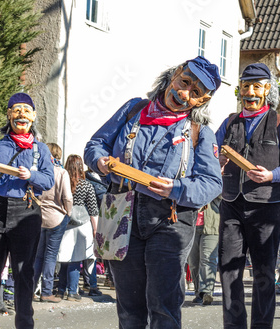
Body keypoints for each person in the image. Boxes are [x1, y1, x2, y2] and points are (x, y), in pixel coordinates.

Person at [84, 56, 223, 328]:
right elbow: (96, 144)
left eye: (195, 93)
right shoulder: (134, 108)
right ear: (174, 75)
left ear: (202, 101)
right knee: (129, 306)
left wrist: (176, 188)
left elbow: (211, 183)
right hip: (122, 211)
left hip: (170, 220)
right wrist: (100, 161)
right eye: (184, 83)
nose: (184, 94)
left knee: (163, 306)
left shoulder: (200, 132)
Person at [215, 62, 280, 328]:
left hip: (266, 207)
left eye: (256, 87)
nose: (250, 92)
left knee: (263, 274)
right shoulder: (229, 123)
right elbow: (210, 156)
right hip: (231, 205)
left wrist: (273, 176)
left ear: (267, 90)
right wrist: (217, 164)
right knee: (229, 273)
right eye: (245, 86)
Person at [0, 92, 55, 329]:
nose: (21, 116)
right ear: (8, 115)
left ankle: (25, 325)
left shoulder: (41, 150)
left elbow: (49, 181)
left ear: (34, 116)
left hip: (26, 213)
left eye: (26, 111)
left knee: (23, 272)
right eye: (16, 111)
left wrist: (32, 175)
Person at [33, 142, 73, 303]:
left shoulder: (37, 171)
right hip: (56, 217)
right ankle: (47, 291)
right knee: (50, 256)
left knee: (38, 256)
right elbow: (67, 197)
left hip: (38, 216)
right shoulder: (61, 172)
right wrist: (68, 213)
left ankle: (29, 289)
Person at [55, 154, 99, 301]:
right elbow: (93, 209)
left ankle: (60, 290)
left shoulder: (62, 182)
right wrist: (95, 229)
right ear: (81, 167)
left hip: (64, 222)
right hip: (82, 224)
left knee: (64, 258)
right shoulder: (87, 185)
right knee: (76, 258)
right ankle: (73, 292)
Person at [188, 195, 221, 306]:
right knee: (193, 262)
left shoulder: (212, 178)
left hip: (211, 224)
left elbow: (222, 194)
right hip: (190, 225)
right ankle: (198, 293)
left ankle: (206, 292)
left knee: (207, 258)